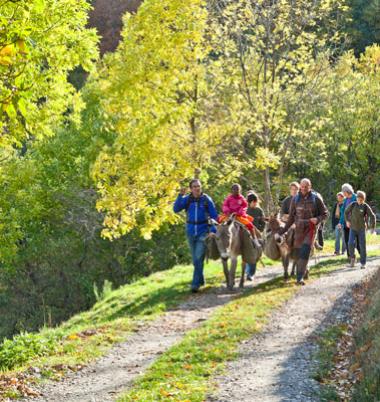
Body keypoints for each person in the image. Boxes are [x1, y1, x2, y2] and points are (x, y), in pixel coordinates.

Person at [279, 178, 328, 285]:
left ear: (310, 187)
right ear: (300, 187)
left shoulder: (316, 198)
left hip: (310, 228)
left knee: (305, 250)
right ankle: (304, 270)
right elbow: (291, 217)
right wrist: (283, 231)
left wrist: (317, 219)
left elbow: (325, 213)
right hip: (298, 229)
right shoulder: (295, 199)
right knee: (298, 252)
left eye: (306, 187)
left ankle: (299, 278)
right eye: (302, 187)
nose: (304, 189)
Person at [173, 179, 218, 293]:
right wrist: (180, 196)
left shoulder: (206, 200)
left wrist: (213, 230)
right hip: (190, 232)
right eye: (194, 186)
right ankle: (201, 279)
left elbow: (214, 216)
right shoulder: (187, 199)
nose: (197, 188)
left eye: (198, 186)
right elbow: (176, 209)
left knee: (198, 257)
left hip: (203, 232)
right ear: (191, 188)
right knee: (195, 260)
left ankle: (195, 284)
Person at [344, 191, 376, 269]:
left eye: (361, 199)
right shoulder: (353, 204)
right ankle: (352, 259)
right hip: (353, 228)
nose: (359, 200)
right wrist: (347, 221)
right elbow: (346, 212)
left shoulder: (365, 206)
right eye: (358, 199)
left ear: (363, 199)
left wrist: (372, 227)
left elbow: (372, 216)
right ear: (357, 198)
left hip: (361, 229)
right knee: (350, 243)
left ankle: (363, 263)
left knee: (362, 246)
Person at [245, 192, 265, 280]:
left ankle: (251, 273)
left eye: (256, 202)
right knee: (248, 253)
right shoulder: (245, 211)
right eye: (254, 202)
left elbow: (263, 222)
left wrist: (260, 229)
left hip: (257, 235)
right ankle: (248, 272)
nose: (255, 203)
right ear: (250, 202)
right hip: (246, 235)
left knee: (255, 254)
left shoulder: (259, 211)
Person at [339, 183, 359, 258]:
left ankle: (361, 254)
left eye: (344, 192)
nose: (343, 194)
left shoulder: (356, 197)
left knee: (356, 241)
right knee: (347, 240)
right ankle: (350, 256)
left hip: (355, 223)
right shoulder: (346, 200)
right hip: (346, 223)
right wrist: (340, 222)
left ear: (347, 191)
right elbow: (343, 212)